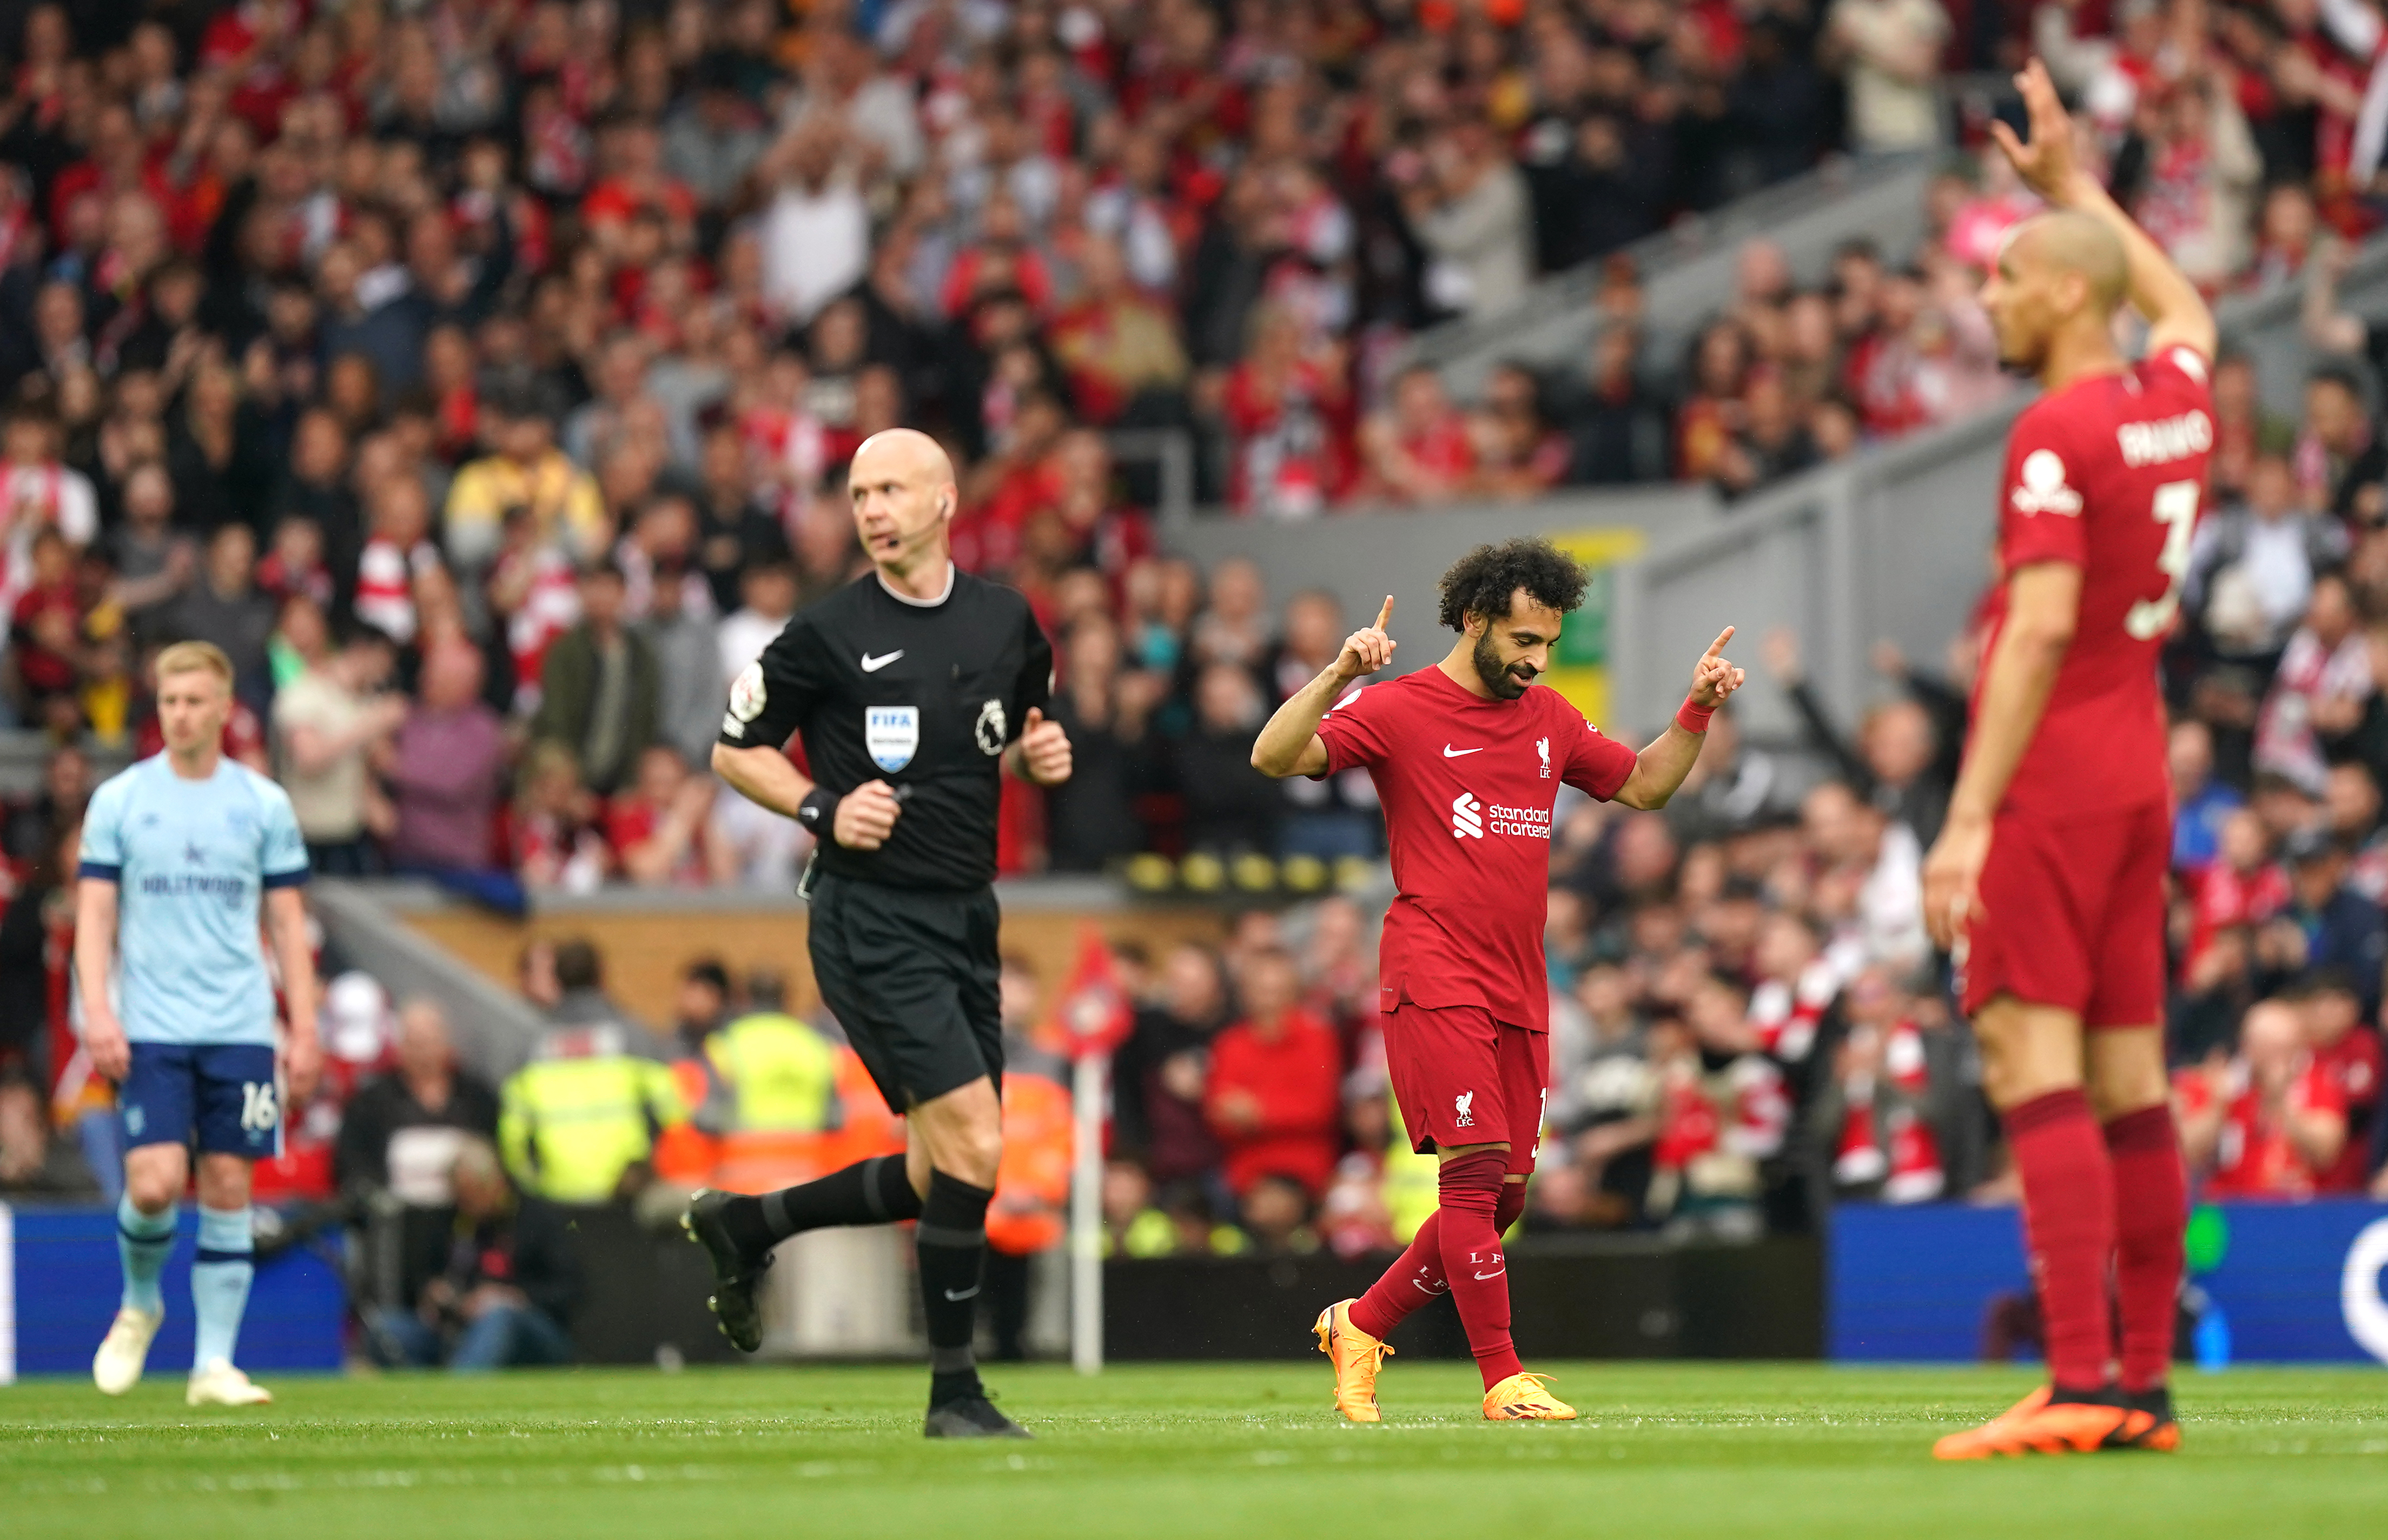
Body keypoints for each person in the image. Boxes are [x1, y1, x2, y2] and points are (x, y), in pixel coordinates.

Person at [1251, 536, 1744, 1422]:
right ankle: (1502, 1377)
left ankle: (1360, 1323)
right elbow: (1275, 755)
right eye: (1523, 640)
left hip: (1520, 982)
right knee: (1474, 1177)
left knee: (1503, 1197)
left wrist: (1696, 710)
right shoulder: (1397, 708)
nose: (1536, 660)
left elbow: (1643, 788)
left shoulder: (1549, 717)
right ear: (1474, 620)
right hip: (1433, 969)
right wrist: (1337, 675)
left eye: (1547, 643)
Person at [1919, 59, 2218, 1460]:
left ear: (2054, 294)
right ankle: (2140, 1388)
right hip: (2136, 771)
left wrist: (1964, 818)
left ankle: (2081, 1377)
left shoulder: (2053, 431)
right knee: (2128, 1080)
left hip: (2049, 778)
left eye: (2001, 275)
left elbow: (2033, 629)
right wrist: (2074, 190)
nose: (1983, 296)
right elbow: (2183, 309)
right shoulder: (2174, 403)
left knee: (2025, 1060)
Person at [686, 428, 1069, 1439]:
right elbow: (734, 751)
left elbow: (1016, 734)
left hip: (969, 914)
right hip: (869, 916)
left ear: (944, 500)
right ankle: (955, 1394)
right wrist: (819, 806)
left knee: (944, 1167)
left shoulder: (1004, 621)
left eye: (891, 489)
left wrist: (1038, 755)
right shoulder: (826, 631)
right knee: (976, 1138)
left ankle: (746, 1223)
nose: (872, 510)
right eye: (859, 494)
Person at [81, 641, 320, 1406]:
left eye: (193, 701)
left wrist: (304, 1028)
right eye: (169, 701)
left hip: (240, 1025)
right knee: (153, 1185)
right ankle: (139, 1304)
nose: (179, 715)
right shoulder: (120, 800)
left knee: (226, 1185)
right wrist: (98, 1010)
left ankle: (212, 1365)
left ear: (223, 708)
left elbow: (288, 924)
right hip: (151, 1024)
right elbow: (95, 914)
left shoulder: (262, 803)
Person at [368, 1137, 585, 1371]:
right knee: (387, 1330)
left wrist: (514, 1297)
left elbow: (571, 1288)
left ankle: (461, 1387)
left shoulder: (537, 1218)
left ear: (496, 1184)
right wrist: (435, 1293)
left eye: (472, 1196)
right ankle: (424, 1389)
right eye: (460, 1197)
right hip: (460, 1328)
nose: (466, 1205)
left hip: (531, 1331)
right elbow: (424, 1276)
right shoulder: (453, 1219)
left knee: (499, 1317)